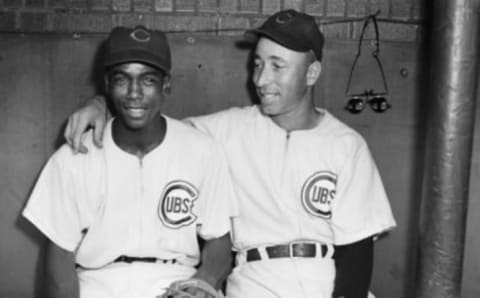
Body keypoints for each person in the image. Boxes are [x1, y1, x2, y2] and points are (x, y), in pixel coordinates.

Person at [64, 10, 396, 298]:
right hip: (255, 281)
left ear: (311, 74)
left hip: (326, 277)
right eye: (258, 64)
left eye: (277, 66)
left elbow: (356, 250)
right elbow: (148, 122)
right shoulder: (227, 129)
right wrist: (101, 103)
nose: (262, 79)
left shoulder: (346, 145)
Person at [22, 25, 237, 298]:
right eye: (122, 79)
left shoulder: (202, 150)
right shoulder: (74, 157)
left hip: (178, 281)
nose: (134, 93)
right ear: (108, 84)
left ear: (166, 84)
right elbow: (59, 262)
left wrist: (200, 286)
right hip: (98, 283)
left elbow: (219, 242)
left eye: (148, 80)